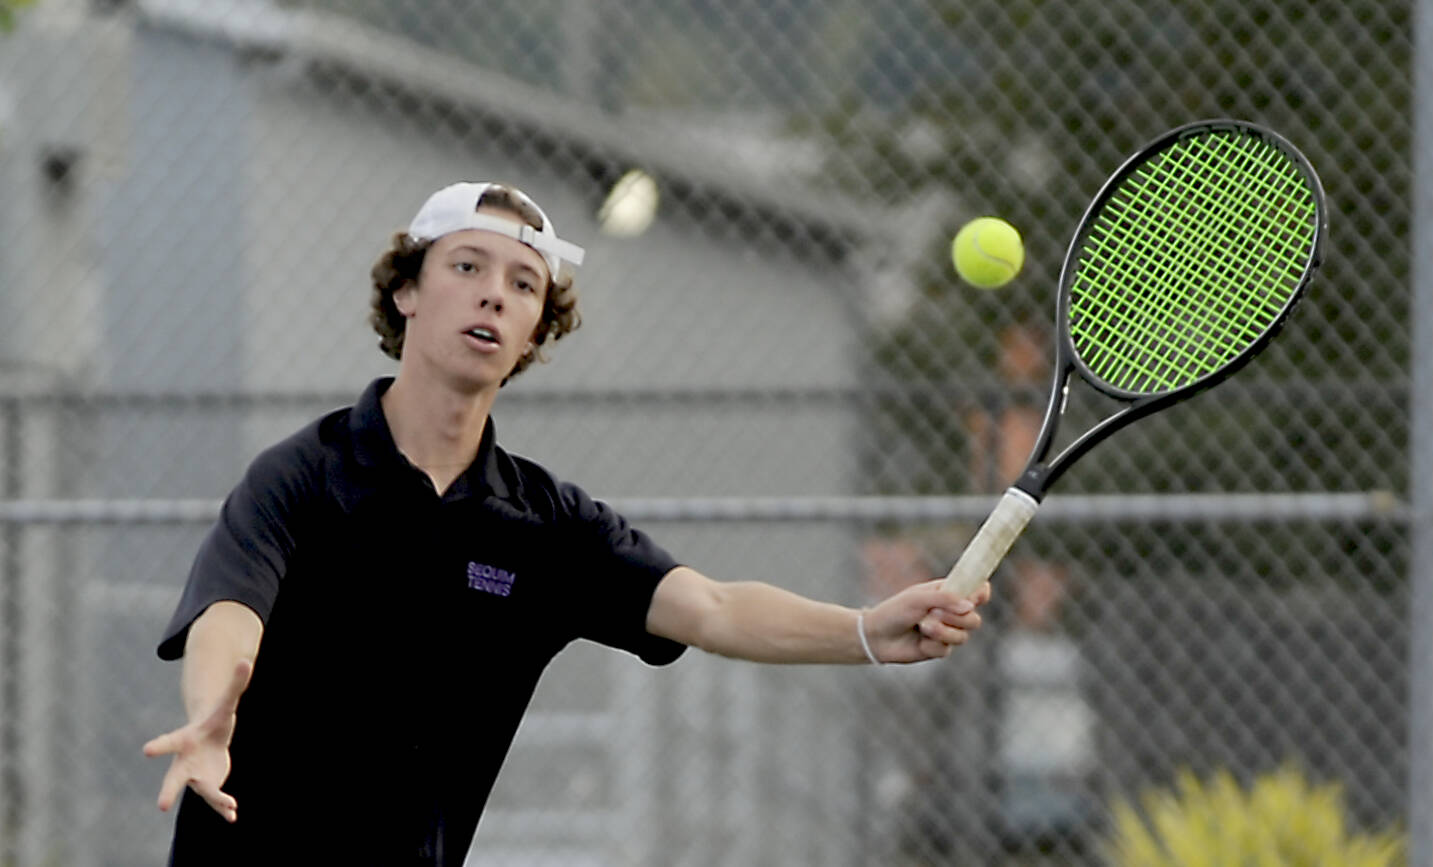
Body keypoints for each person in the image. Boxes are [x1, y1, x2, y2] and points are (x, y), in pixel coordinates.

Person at [142, 181, 992, 865]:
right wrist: (215, 706)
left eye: (523, 285)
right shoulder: (302, 475)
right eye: (467, 267)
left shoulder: (544, 524)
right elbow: (230, 610)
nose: (494, 296)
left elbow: (714, 607)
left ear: (533, 336)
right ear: (406, 289)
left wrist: (869, 631)